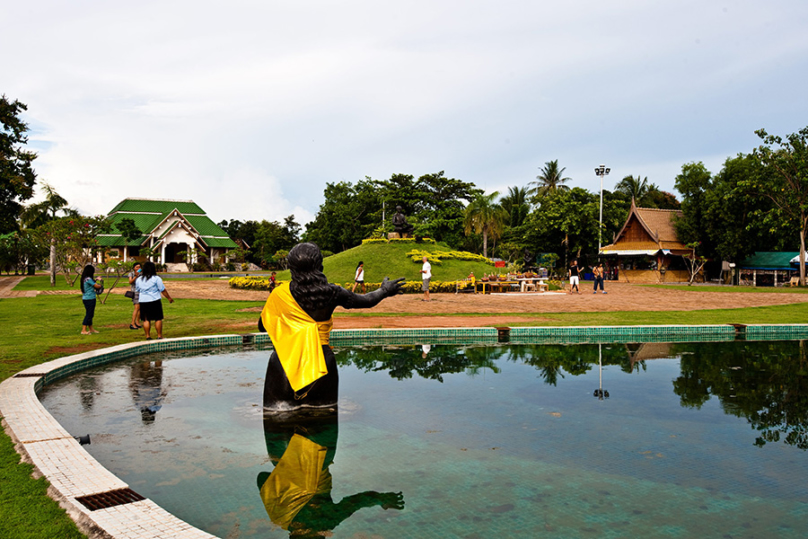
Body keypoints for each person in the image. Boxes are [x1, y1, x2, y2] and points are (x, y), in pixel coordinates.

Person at [258, 242, 404, 411]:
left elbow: (263, 326)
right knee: (323, 418)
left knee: (275, 418)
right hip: (322, 363)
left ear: (291, 268)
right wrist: (384, 290)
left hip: (284, 362)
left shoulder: (279, 294)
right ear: (320, 265)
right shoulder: (332, 293)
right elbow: (367, 301)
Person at [135, 261, 174, 340]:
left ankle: (148, 336)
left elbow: (138, 289)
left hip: (143, 300)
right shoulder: (156, 278)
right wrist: (169, 298)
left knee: (146, 319)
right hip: (154, 300)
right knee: (158, 318)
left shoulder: (139, 279)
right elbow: (162, 289)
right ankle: (159, 335)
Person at [79, 264, 103, 335]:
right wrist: (100, 285)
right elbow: (96, 286)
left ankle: (91, 328)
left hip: (86, 298)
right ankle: (83, 329)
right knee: (89, 314)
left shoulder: (84, 278)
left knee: (90, 314)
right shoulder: (89, 279)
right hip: (90, 298)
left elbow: (91, 283)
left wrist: (96, 279)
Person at [128, 262, 142, 330]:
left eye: (139, 267)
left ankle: (137, 322)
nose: (138, 268)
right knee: (136, 307)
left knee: (140, 308)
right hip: (135, 292)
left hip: (141, 292)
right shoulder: (131, 274)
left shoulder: (142, 274)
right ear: (134, 268)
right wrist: (136, 276)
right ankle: (132, 323)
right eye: (137, 267)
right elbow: (130, 282)